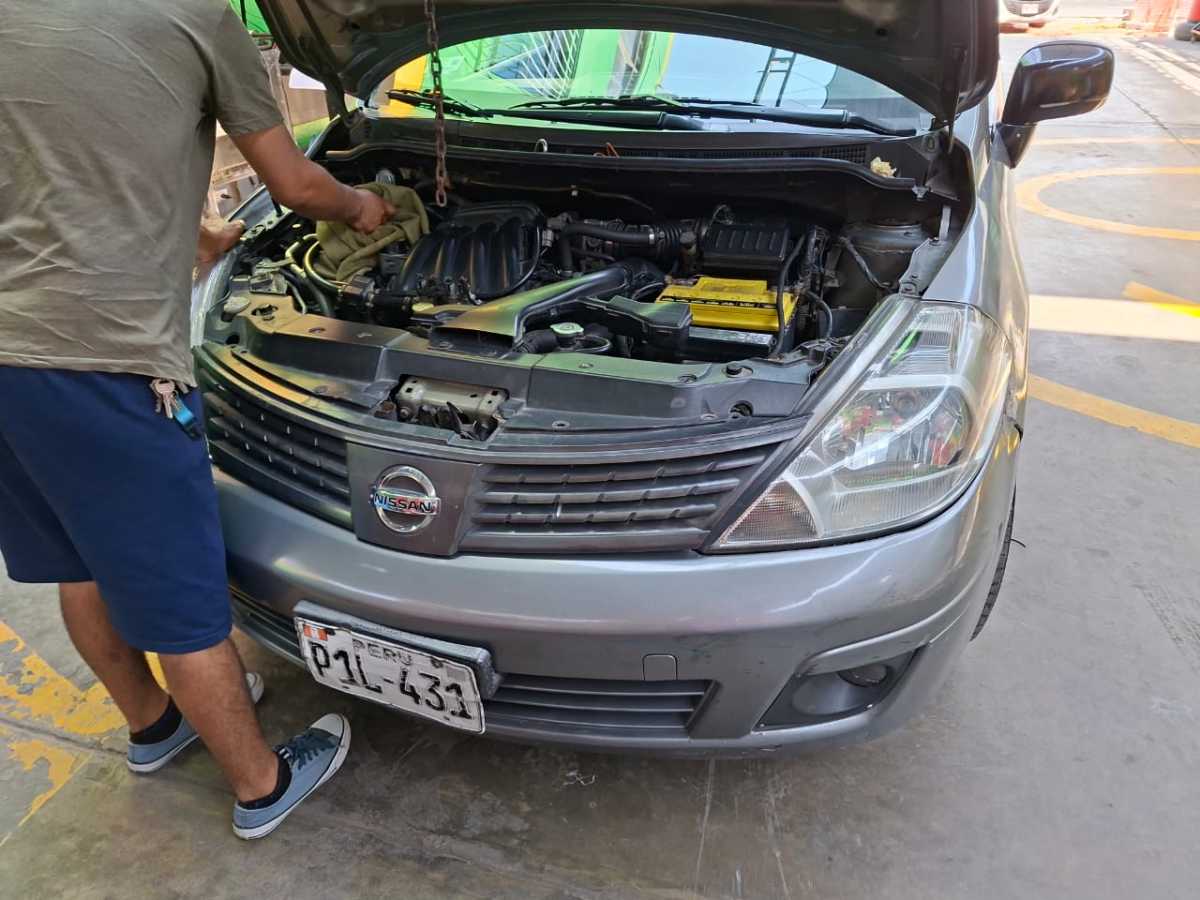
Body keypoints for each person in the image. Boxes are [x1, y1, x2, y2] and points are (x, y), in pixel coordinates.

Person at [0, 1, 395, 839]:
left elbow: (69, 159)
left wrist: (201, 234)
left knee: (82, 559)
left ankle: (154, 727)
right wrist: (364, 208)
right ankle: (261, 785)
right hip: (101, 361)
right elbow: (297, 187)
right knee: (183, 602)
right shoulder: (197, 16)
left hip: (10, 352)